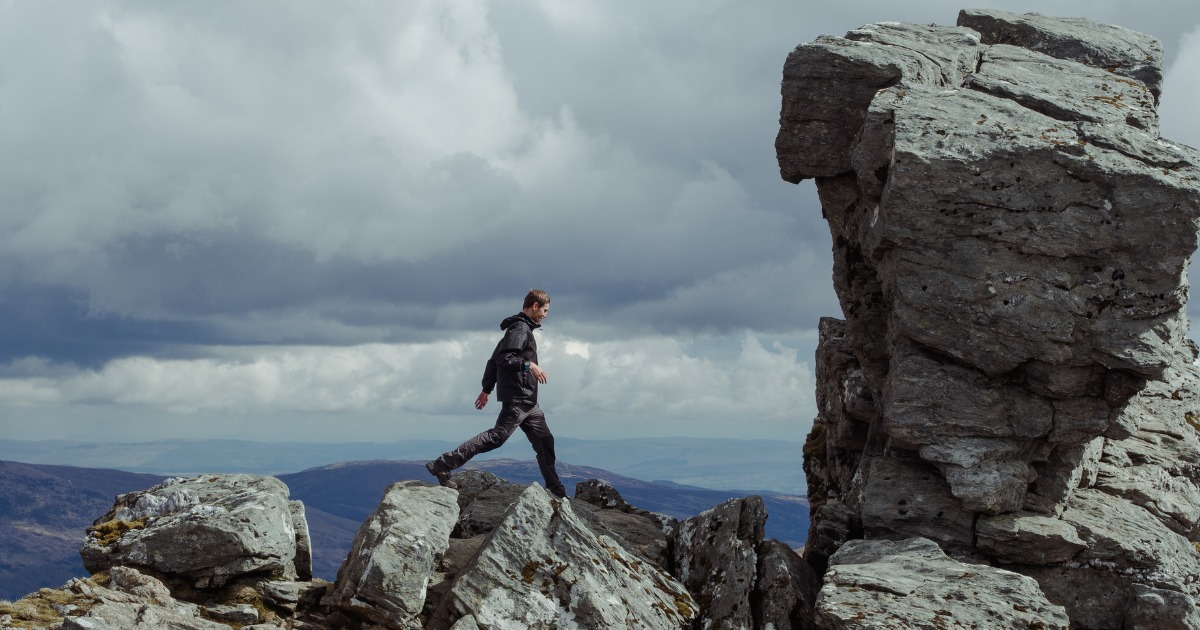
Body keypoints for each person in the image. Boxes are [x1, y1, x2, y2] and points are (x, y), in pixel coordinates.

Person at [426, 289, 568, 498]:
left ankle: (556, 491)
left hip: (529, 403)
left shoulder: (520, 328)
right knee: (496, 437)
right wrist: (530, 365)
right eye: (545, 310)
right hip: (518, 400)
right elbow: (504, 359)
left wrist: (486, 389)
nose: (546, 315)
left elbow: (493, 361)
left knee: (545, 442)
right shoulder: (519, 329)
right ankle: (442, 464)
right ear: (535, 306)